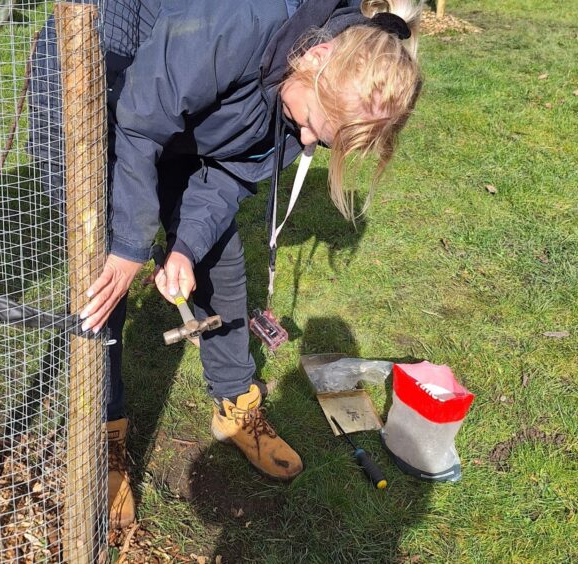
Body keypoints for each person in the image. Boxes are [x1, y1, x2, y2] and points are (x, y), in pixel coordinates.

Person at [30, 0, 422, 529]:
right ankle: (107, 430)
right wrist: (128, 247)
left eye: (320, 140)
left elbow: (229, 175)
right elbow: (142, 123)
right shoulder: (239, 22)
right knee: (104, 274)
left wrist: (185, 246)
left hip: (177, 104)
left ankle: (236, 405)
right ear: (316, 57)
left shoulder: (310, 84)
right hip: (96, 66)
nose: (306, 140)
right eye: (310, 124)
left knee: (219, 256)